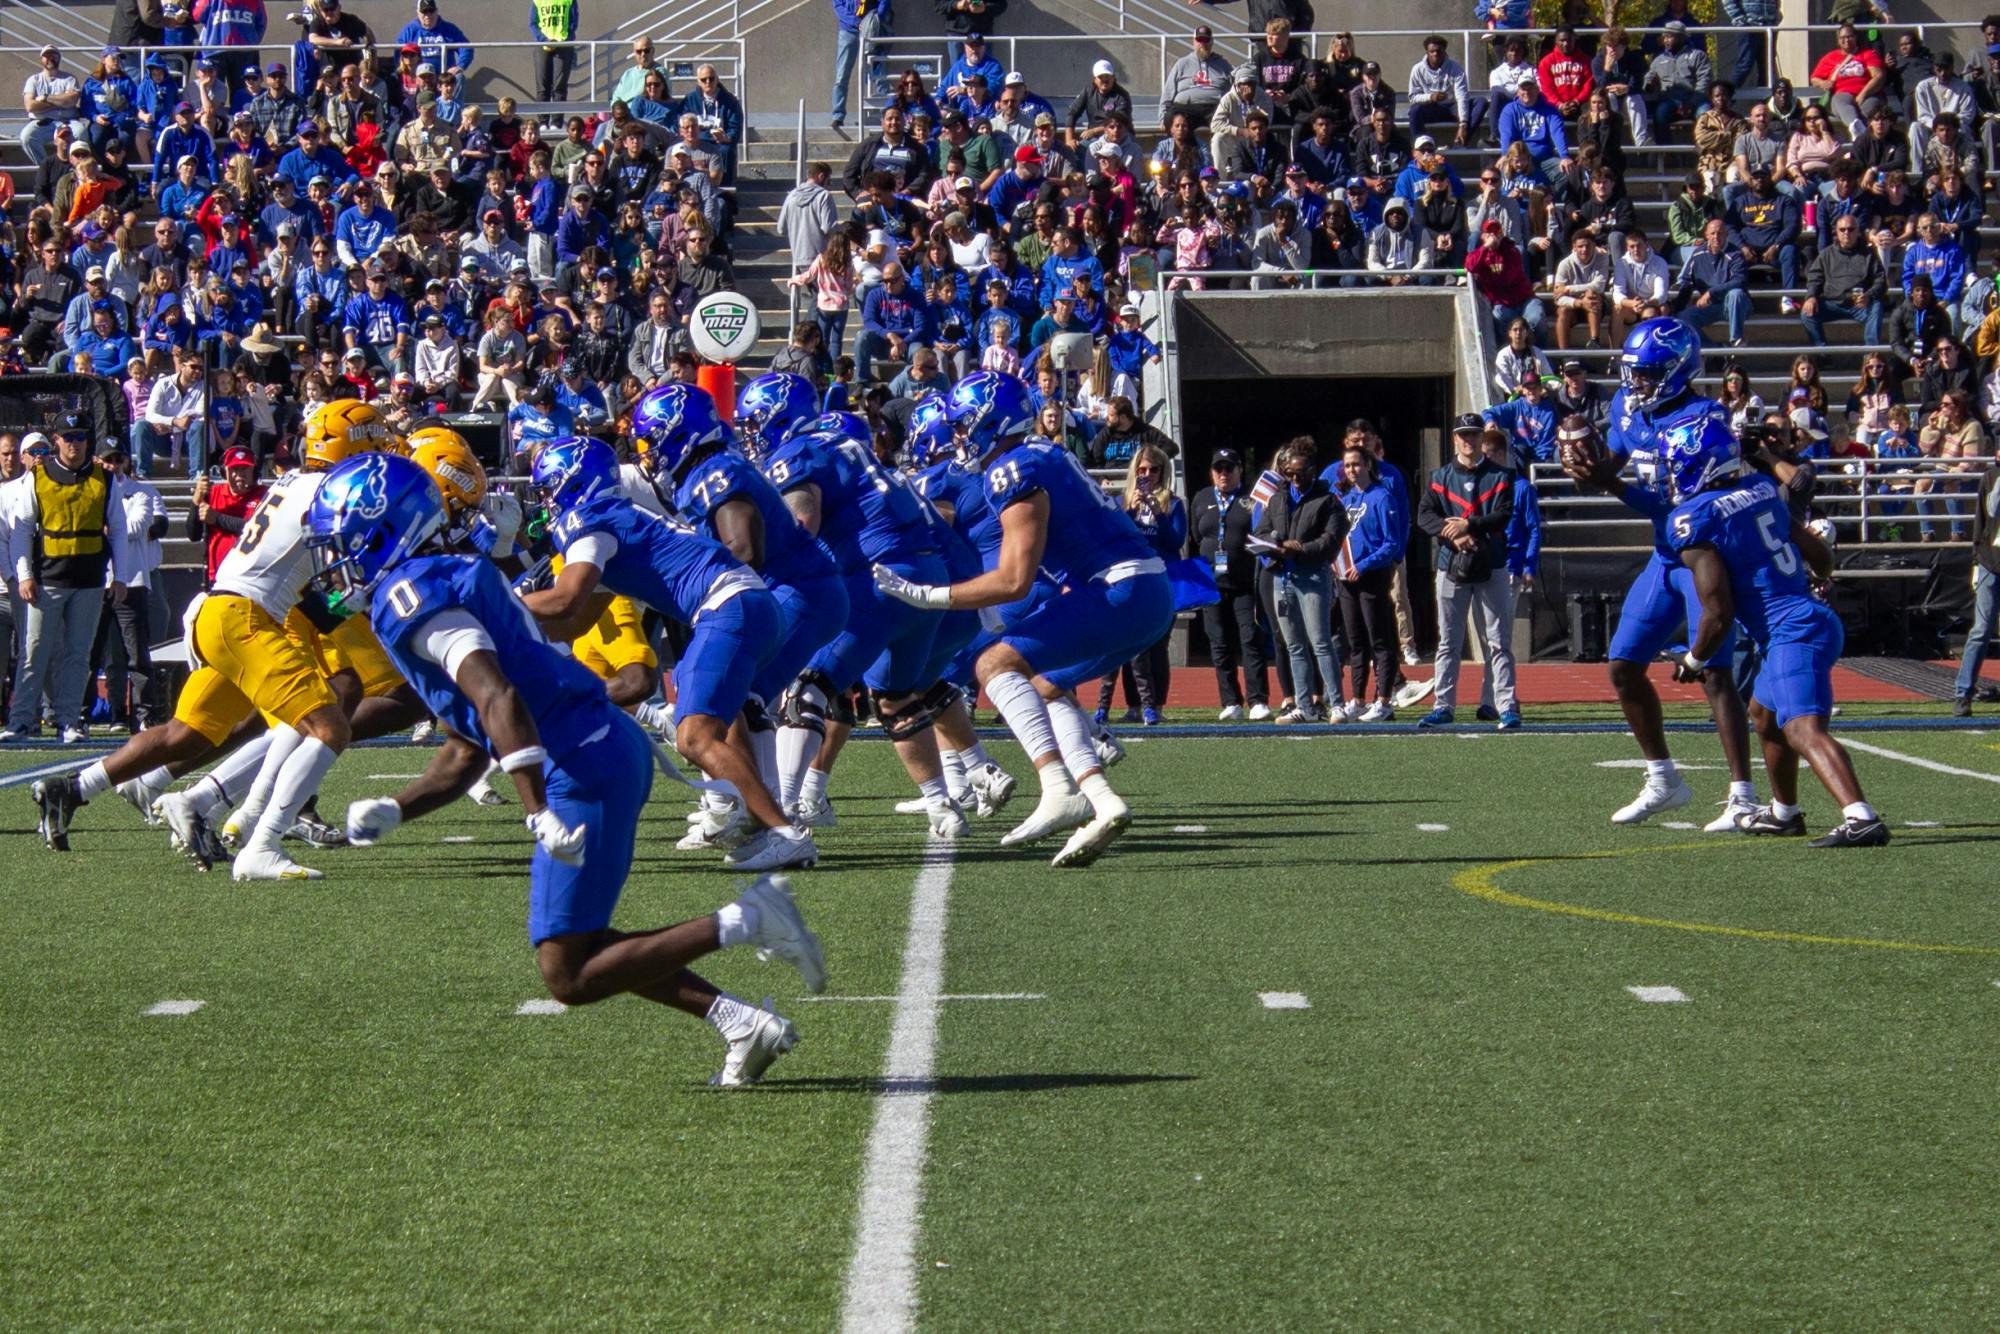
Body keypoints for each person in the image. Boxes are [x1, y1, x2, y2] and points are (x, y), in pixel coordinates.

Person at [300, 453, 828, 1085]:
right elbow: (473, 743)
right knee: (580, 945)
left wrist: (534, 808)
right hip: (594, 749)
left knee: (567, 972)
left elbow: (498, 697)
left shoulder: (408, 595)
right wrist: (400, 806)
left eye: (344, 538)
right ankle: (737, 1020)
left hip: (583, 763)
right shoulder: (438, 575)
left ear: (383, 527)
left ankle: (748, 920)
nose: (337, 557)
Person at [876, 371, 1173, 867]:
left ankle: (1056, 786)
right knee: (1047, 683)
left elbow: (1014, 580)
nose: (960, 437)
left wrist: (930, 594)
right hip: (1143, 589)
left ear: (992, 419)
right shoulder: (1041, 453)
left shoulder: (1011, 468)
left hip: (1120, 587)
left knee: (993, 664)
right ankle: (1101, 800)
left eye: (966, 425)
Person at [521, 436, 820, 870]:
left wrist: (493, 605)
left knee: (695, 736)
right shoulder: (617, 519)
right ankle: (764, 822)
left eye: (549, 487)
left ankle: (784, 832)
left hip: (727, 606)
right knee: (717, 722)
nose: (545, 499)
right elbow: (574, 622)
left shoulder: (592, 520)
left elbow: (565, 599)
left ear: (571, 482)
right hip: (747, 604)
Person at [1561, 319, 1761, 830]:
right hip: (1665, 557)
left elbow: (1683, 508)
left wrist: (1611, 487)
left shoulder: (1703, 419)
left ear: (1676, 371)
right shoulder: (1626, 409)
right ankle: (1663, 777)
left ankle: (1742, 794)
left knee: (1716, 674)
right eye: (1632, 373)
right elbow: (1616, 465)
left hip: (1702, 553)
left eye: (1647, 374)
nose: (1636, 385)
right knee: (1623, 665)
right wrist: (1589, 468)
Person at [1663, 419, 1888, 847]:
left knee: (1803, 729)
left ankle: (1860, 816)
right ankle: (1785, 812)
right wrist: (1812, 577)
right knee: (1764, 716)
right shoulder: (1763, 491)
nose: (1674, 472)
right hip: (1809, 619)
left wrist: (1693, 659)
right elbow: (1821, 557)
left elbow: (1718, 612)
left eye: (1679, 463)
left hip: (1792, 631)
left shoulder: (1695, 518)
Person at [2, 415, 135, 746]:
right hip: (48, 579)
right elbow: (21, 528)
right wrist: (24, 574)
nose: (74, 442)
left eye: (80, 436)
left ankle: (69, 719)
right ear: (56, 440)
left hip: (90, 580)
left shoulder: (104, 478)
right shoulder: (40, 475)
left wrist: (121, 576)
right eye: (68, 436)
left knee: (79, 654)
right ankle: (22, 720)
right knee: (35, 651)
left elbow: (118, 528)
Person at [1414, 414, 1516, 730]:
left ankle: (1506, 706)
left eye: (1473, 435)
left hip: (1492, 565)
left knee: (1499, 641)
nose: (1468, 440)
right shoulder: (1440, 477)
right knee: (1449, 641)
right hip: (1451, 566)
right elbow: (1424, 517)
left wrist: (1469, 524)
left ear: (1480, 439)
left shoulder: (1501, 475)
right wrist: (1454, 534)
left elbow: (1503, 515)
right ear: (1455, 439)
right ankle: (1443, 705)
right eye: (1463, 435)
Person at [1255, 437, 1346, 723]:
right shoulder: (1277, 499)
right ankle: (1303, 704)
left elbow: (1330, 542)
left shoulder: (1327, 500)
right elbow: (1261, 531)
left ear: (1313, 471)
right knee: (1293, 645)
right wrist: (1272, 548)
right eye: (1291, 473)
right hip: (1282, 576)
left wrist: (1299, 548)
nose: (1296, 479)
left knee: (1320, 641)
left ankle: (1337, 704)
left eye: (1302, 473)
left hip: (1312, 575)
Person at [1188, 447, 1270, 721]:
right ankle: (1230, 701)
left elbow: (1262, 533)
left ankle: (1258, 699)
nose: (1223, 474)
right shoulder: (1201, 498)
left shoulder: (1250, 500)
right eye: (1218, 469)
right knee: (1219, 643)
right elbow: (1197, 537)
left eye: (1229, 468)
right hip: (1211, 583)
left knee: (1250, 640)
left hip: (1245, 582)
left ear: (1239, 470)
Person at [1333, 442, 1406, 723]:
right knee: (1355, 640)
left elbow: (1391, 543)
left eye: (1357, 464)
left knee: (1380, 639)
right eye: (1348, 465)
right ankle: (1358, 699)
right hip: (1346, 578)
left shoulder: (1382, 497)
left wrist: (1363, 565)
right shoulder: (1347, 498)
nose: (1352, 470)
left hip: (1372, 576)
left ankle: (1384, 700)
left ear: (1368, 465)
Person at [1954, 455, 2000, 715]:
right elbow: (1988, 512)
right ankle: (1963, 693)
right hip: (1990, 562)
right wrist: (1976, 557)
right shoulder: (1992, 477)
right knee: (1981, 630)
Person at [1801, 214, 1886, 347]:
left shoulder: (1869, 254)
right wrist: (1811, 296)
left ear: (1858, 232)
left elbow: (1880, 281)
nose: (1847, 233)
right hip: (1832, 303)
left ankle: (1871, 354)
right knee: (1807, 312)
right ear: (1836, 232)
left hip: (1860, 305)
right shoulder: (1826, 254)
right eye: (1842, 230)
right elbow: (1814, 278)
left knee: (1877, 305)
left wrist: (1868, 296)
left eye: (1851, 229)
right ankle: (1821, 352)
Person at [529, 0, 578, 103]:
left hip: (563, 45)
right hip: (542, 46)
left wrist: (565, 39)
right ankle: (543, 119)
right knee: (542, 88)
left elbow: (573, 22)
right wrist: (545, 40)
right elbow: (533, 24)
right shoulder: (538, 1)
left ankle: (557, 119)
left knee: (560, 87)